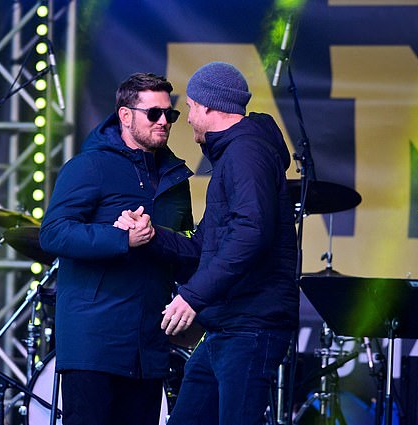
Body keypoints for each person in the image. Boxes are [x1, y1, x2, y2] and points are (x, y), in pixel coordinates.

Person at [115, 62, 299, 424]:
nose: (186, 118)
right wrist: (150, 236)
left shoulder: (246, 152)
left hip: (251, 325)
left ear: (209, 107)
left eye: (191, 108)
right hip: (226, 327)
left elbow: (251, 233)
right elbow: (205, 246)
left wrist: (193, 296)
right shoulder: (236, 154)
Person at [38, 73, 194, 425]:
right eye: (153, 114)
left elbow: (188, 252)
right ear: (126, 116)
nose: (163, 122)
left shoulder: (175, 178)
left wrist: (159, 240)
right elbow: (53, 233)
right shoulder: (90, 165)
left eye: (169, 115)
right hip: (94, 344)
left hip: (150, 346)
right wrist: (120, 238)